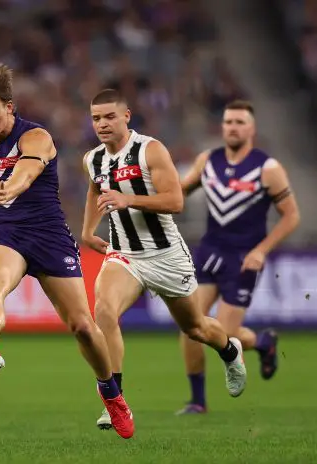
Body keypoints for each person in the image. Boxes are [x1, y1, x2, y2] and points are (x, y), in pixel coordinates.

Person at [0, 64, 134, 439]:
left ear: (10, 108)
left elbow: (29, 169)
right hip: (7, 234)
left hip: (50, 237)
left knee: (83, 327)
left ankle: (111, 393)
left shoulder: (36, 136)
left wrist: (13, 187)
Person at [80, 89, 247, 431]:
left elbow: (175, 201)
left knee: (195, 328)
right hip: (124, 254)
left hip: (166, 255)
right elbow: (96, 187)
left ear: (126, 116)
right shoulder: (92, 159)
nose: (102, 124)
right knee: (104, 311)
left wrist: (129, 201)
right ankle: (115, 399)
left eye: (110, 116)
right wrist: (87, 230)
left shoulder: (150, 150)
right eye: (96, 118)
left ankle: (230, 350)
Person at [175, 100, 300, 414]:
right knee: (191, 327)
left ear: (252, 129)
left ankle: (261, 343)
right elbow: (179, 193)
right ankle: (197, 401)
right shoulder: (209, 161)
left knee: (227, 334)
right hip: (209, 252)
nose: (233, 127)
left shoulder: (267, 168)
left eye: (240, 122)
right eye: (229, 122)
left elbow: (291, 216)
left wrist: (261, 250)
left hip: (243, 259)